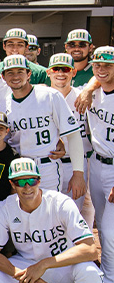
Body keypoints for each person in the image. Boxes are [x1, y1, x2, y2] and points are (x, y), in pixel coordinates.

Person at [1, 54, 85, 194]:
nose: (15, 76)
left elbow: (73, 134)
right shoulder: (4, 102)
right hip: (18, 168)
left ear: (29, 74)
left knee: (50, 212)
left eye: (20, 72)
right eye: (10, 72)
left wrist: (78, 174)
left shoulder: (50, 95)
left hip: (46, 167)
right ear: (3, 77)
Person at [86, 46, 114, 283]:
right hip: (97, 163)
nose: (102, 68)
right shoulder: (93, 90)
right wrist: (87, 89)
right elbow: (96, 79)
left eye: (108, 64)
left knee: (109, 232)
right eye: (98, 64)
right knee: (101, 228)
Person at [46, 53, 91, 213]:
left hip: (75, 165)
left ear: (74, 72)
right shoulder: (41, 97)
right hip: (49, 165)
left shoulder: (84, 96)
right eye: (56, 69)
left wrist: (79, 173)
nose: (60, 73)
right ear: (48, 72)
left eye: (65, 69)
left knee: (73, 216)